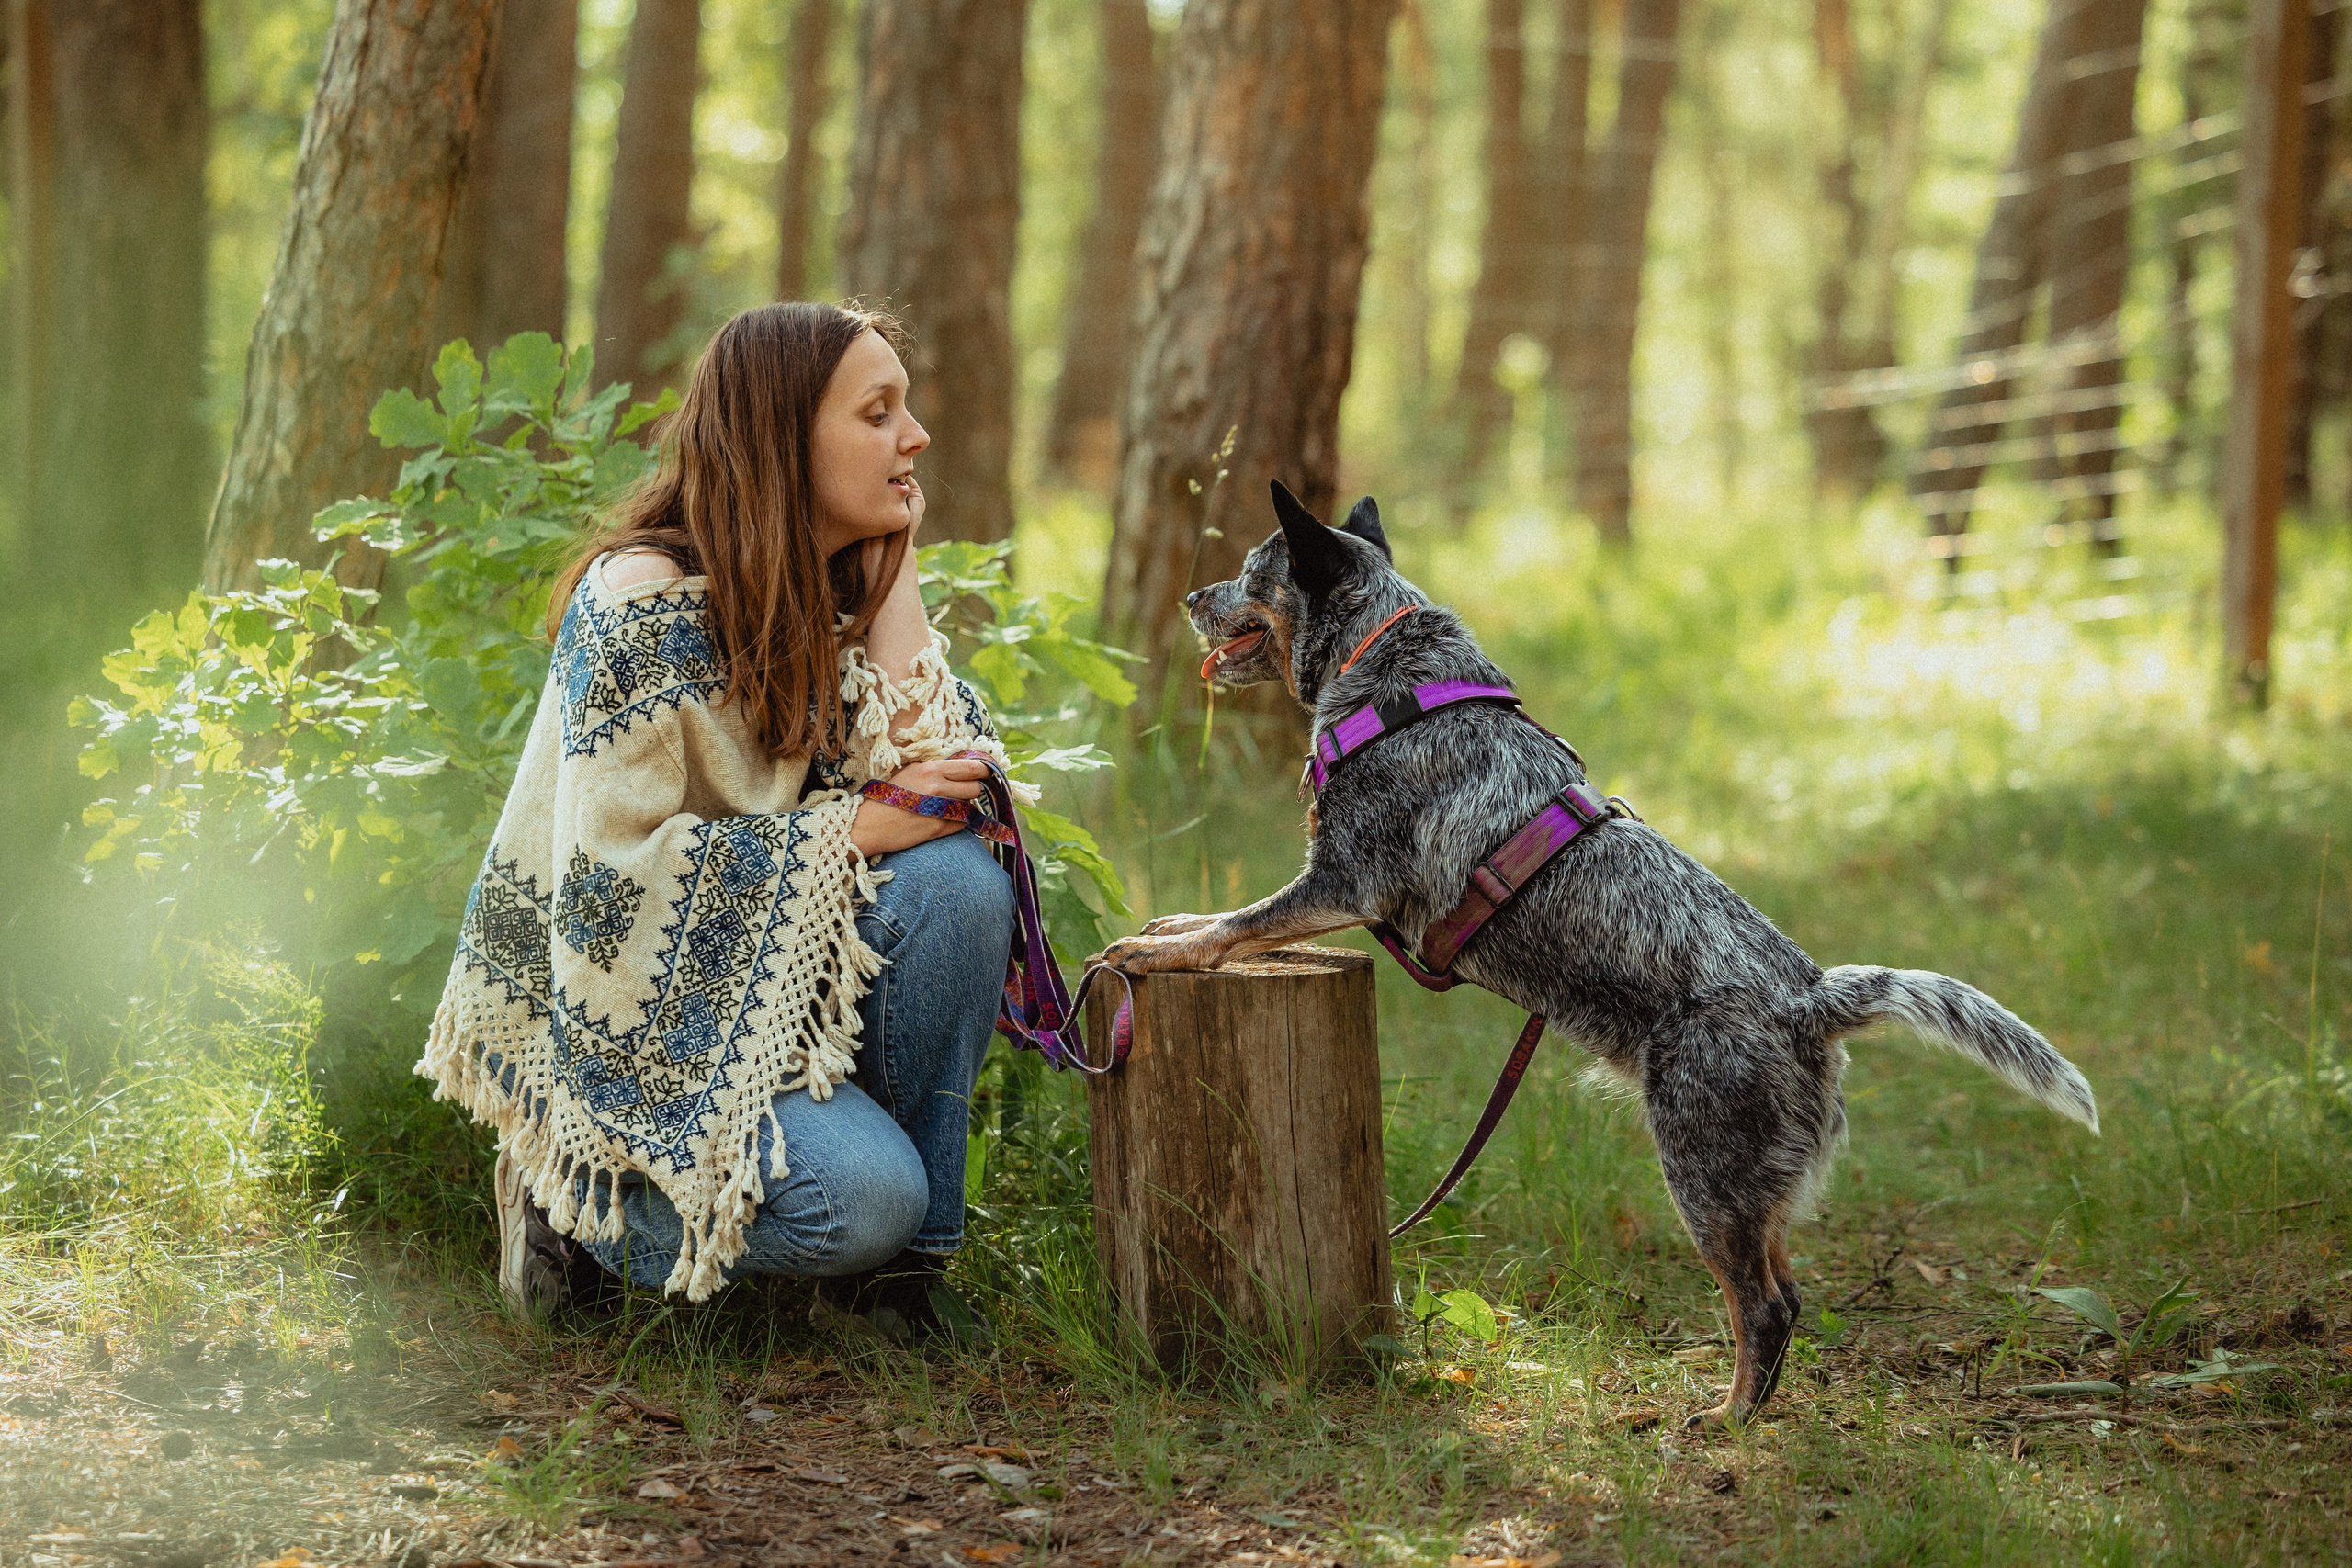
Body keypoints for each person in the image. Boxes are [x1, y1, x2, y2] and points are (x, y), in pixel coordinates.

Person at [416, 302, 1018, 1343]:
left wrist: (896, 563)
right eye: (879, 414)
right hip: (623, 1022)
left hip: (765, 978)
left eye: (906, 411)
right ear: (785, 439)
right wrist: (852, 834)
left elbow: (928, 781)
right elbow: (611, 892)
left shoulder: (834, 585)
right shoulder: (640, 597)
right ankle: (573, 1204)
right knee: (859, 1203)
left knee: (960, 885)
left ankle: (899, 1284)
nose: (914, 439)